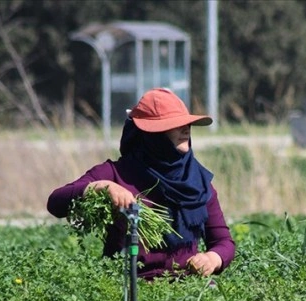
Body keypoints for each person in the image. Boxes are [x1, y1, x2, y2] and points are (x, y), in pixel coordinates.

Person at [47, 88, 235, 280]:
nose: (186, 129)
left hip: (186, 285)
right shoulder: (115, 174)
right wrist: (101, 187)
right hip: (128, 285)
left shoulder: (199, 183)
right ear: (153, 135)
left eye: (187, 123)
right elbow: (56, 202)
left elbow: (223, 241)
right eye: (175, 124)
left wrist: (213, 258)